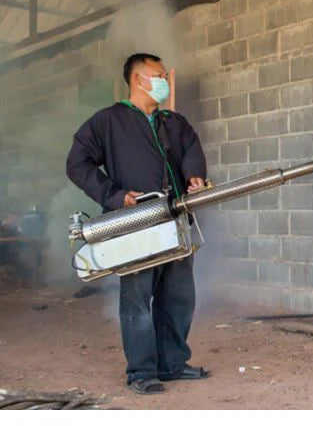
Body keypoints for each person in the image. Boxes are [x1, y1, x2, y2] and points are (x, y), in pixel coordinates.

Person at [66, 53, 209, 395]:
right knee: (137, 299)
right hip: (134, 224)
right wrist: (114, 195)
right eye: (158, 75)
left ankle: (172, 364)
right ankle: (142, 372)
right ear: (137, 80)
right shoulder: (108, 122)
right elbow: (77, 163)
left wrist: (194, 175)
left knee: (178, 297)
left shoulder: (172, 121)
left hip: (175, 220)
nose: (164, 81)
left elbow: (191, 148)